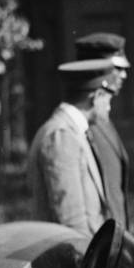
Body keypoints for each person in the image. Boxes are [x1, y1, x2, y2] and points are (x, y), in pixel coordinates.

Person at [27, 58, 114, 236]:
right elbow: (71, 219)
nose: (109, 107)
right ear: (96, 96)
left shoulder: (72, 132)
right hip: (73, 256)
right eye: (108, 99)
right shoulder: (62, 136)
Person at [74, 32, 130, 231]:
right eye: (118, 68)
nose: (124, 74)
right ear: (97, 69)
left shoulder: (103, 118)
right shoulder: (83, 124)